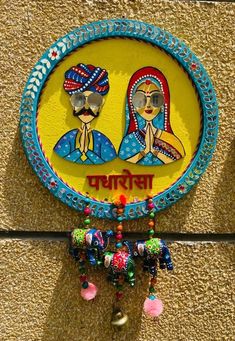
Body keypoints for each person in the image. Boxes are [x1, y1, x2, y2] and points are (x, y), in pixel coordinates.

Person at [118, 66, 185, 165]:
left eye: (155, 99)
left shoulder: (172, 141)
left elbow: (178, 158)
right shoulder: (129, 140)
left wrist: (154, 152)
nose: (148, 105)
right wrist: (144, 152)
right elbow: (122, 161)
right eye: (140, 100)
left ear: (163, 105)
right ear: (133, 106)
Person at [54, 63, 116, 164]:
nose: (86, 107)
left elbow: (109, 161)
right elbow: (60, 159)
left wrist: (88, 153)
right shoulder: (68, 138)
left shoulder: (102, 140)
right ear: (72, 103)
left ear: (101, 105)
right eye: (79, 100)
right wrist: (79, 151)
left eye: (93, 101)